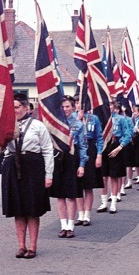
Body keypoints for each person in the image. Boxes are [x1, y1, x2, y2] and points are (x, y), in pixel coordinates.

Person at [2, 93, 53, 259]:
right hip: (13, 166)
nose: (14, 110)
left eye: (17, 107)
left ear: (26, 107)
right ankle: (21, 246)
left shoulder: (38, 126)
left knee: (32, 209)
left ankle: (32, 246)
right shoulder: (7, 126)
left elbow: (47, 150)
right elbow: (2, 148)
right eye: (13, 107)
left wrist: (48, 175)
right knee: (18, 209)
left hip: (33, 167)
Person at [51, 96, 87, 239]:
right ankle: (63, 225)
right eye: (63, 107)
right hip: (58, 159)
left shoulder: (78, 124)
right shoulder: (56, 123)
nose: (65, 109)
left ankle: (71, 226)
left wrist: (82, 165)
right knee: (60, 195)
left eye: (67, 106)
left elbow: (83, 146)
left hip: (73, 158)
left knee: (71, 195)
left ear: (73, 107)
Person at [75, 106, 105, 226]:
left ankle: (87, 215)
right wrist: (78, 120)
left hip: (90, 150)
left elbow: (99, 137)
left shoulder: (94, 118)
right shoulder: (72, 118)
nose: (79, 105)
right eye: (77, 102)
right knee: (77, 186)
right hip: (76, 151)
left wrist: (99, 155)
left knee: (88, 185)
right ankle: (80, 214)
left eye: (81, 102)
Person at [101, 101, 131, 214]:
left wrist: (120, 147)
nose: (108, 107)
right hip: (104, 146)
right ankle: (104, 203)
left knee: (114, 176)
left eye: (110, 105)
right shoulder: (101, 119)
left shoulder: (120, 119)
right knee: (103, 177)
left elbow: (127, 134)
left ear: (114, 107)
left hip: (116, 145)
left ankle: (113, 203)